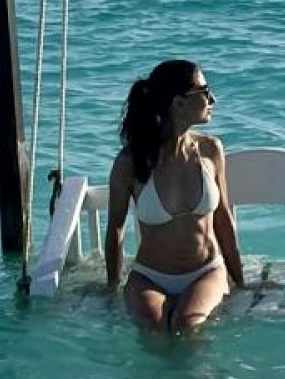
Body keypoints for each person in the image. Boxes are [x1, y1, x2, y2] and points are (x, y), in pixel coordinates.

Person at [104, 58, 248, 334]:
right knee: (153, 328)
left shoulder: (210, 150)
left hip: (206, 271)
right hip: (149, 277)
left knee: (187, 324)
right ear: (178, 103)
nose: (213, 99)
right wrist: (112, 287)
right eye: (205, 92)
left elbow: (223, 219)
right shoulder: (130, 162)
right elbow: (115, 228)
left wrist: (240, 282)